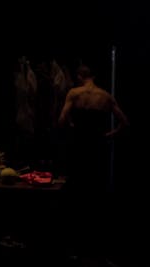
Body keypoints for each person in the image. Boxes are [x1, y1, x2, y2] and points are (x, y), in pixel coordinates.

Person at [57, 64, 130, 255]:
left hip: (79, 145)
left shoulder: (74, 93)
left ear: (80, 76)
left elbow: (62, 119)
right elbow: (124, 121)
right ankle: (95, 235)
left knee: (76, 186)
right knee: (95, 186)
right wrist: (109, 134)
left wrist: (73, 127)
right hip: (97, 145)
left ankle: (74, 234)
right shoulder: (105, 96)